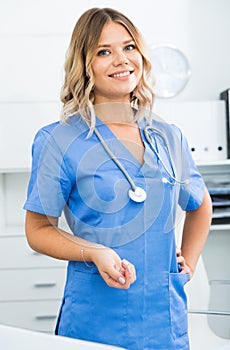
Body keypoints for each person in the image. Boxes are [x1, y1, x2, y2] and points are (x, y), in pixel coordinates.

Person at [23, 7, 212, 350]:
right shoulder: (58, 140)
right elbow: (37, 230)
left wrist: (189, 260)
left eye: (129, 47)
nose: (121, 60)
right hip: (95, 319)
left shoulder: (168, 136)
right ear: (85, 64)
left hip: (164, 321)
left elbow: (200, 203)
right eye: (103, 51)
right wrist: (93, 251)